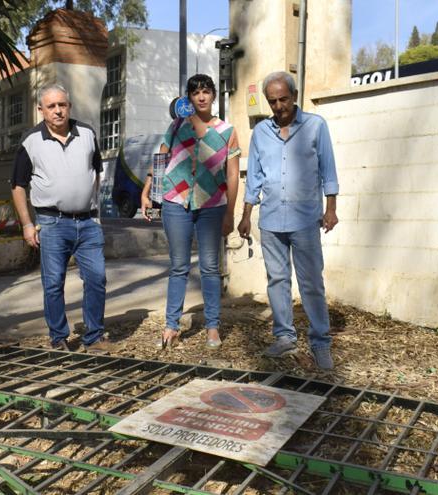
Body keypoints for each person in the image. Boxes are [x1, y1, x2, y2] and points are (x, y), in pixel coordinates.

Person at [237, 71, 339, 370]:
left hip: (306, 218)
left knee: (311, 283)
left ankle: (320, 342)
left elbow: (328, 170)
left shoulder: (315, 127)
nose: (279, 106)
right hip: (270, 220)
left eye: (283, 99)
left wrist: (330, 208)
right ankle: (284, 336)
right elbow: (253, 177)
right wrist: (245, 216)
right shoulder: (261, 133)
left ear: (294, 96)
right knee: (277, 280)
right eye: (273, 101)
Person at [11, 84, 114, 354]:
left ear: (69, 105)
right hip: (52, 223)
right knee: (53, 283)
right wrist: (27, 224)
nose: (58, 111)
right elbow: (18, 186)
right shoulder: (30, 141)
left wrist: (95, 213)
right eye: (51, 106)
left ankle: (94, 337)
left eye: (62, 105)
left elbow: (97, 172)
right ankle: (59, 337)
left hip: (88, 223)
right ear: (41, 110)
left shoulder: (88, 134)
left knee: (97, 278)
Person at [140, 74, 241, 350]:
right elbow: (160, 159)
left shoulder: (227, 131)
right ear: (189, 97)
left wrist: (230, 213)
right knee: (178, 266)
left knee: (210, 267)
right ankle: (171, 326)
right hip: (176, 201)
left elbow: (233, 176)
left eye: (206, 91)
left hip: (212, 204)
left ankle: (212, 327)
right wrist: (148, 190)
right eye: (196, 92)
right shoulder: (176, 127)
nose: (201, 96)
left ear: (213, 95)